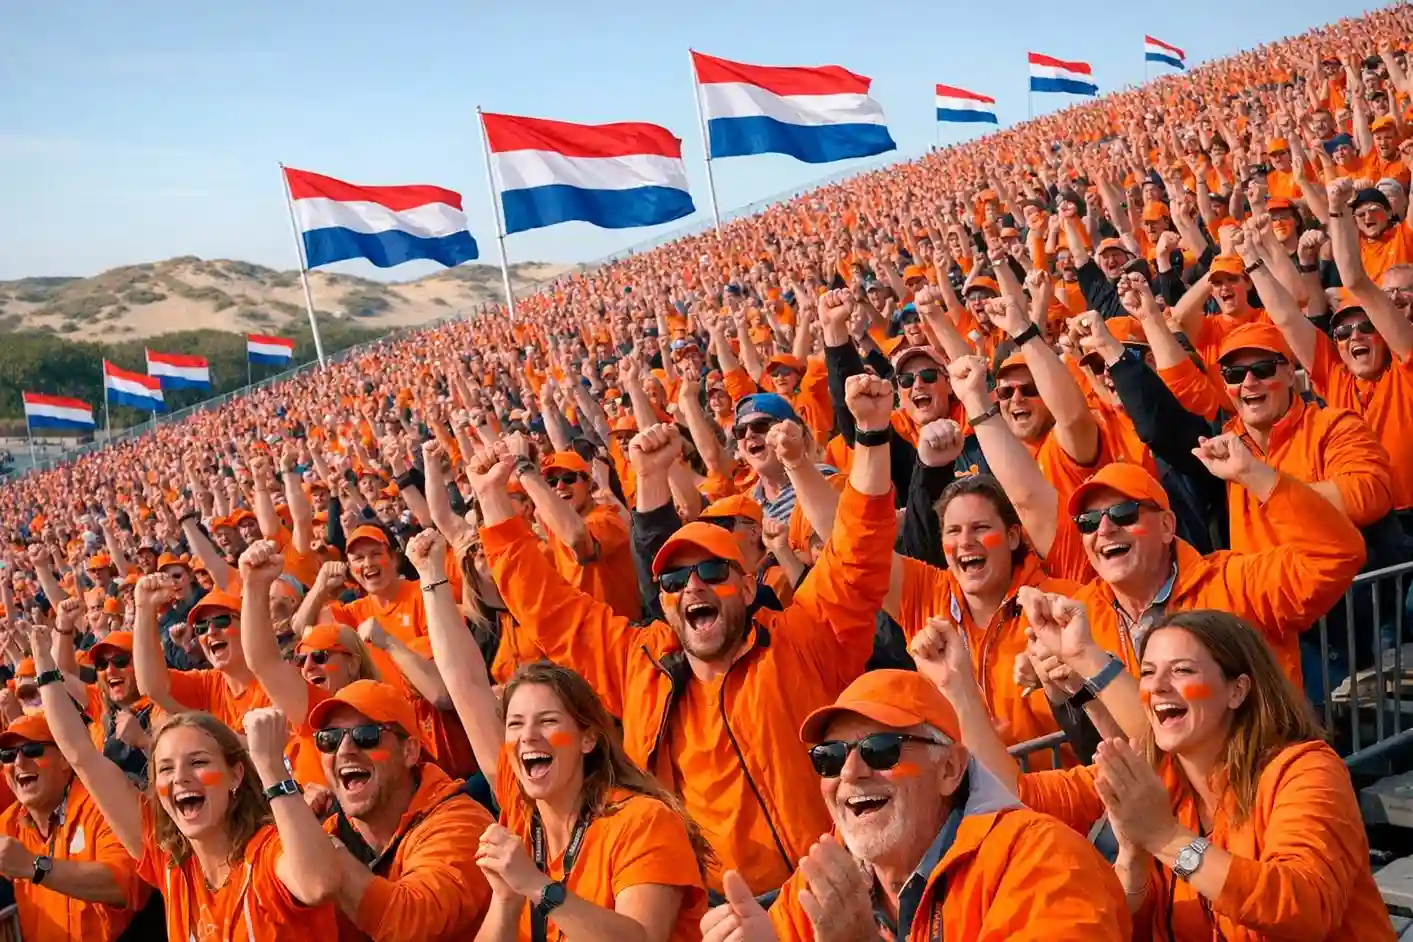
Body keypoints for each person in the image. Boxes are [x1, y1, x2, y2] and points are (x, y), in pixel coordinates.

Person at [468, 374, 898, 897]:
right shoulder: (641, 667)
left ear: (747, 586)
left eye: (711, 572)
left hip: (840, 889)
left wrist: (871, 433)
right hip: (723, 916)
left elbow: (857, 557)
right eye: (673, 580)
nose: (692, 586)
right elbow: (551, 611)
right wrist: (492, 502)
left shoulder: (800, 638)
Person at [934, 590, 1397, 940]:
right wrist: (959, 690)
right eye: (1150, 672)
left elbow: (1306, 906)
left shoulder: (1305, 771)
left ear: (1237, 690)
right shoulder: (1155, 777)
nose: (1157, 687)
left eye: (1182, 671)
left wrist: (1166, 838)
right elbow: (1015, 794)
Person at [701, 666, 1130, 942]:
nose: (849, 772)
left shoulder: (1045, 862)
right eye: (829, 757)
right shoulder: (823, 882)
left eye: (880, 750)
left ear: (950, 769)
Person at [33, 622, 340, 941]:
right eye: (165, 769)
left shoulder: (268, 850)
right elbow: (81, 755)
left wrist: (273, 770)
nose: (180, 778)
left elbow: (319, 883)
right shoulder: (171, 863)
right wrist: (43, 662)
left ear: (236, 774)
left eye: (198, 762)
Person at [240, 680, 497, 942]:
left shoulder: (460, 822)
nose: (345, 750)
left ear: (409, 751)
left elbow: (409, 921)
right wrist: (300, 828)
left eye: (366, 736)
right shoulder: (333, 829)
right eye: (330, 739)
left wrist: (316, 843)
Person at [0, 710, 146, 941]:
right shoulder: (8, 823)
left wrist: (34, 867)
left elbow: (129, 884)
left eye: (32, 750)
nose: (18, 762)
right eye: (8, 755)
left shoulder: (101, 805)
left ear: (64, 758)